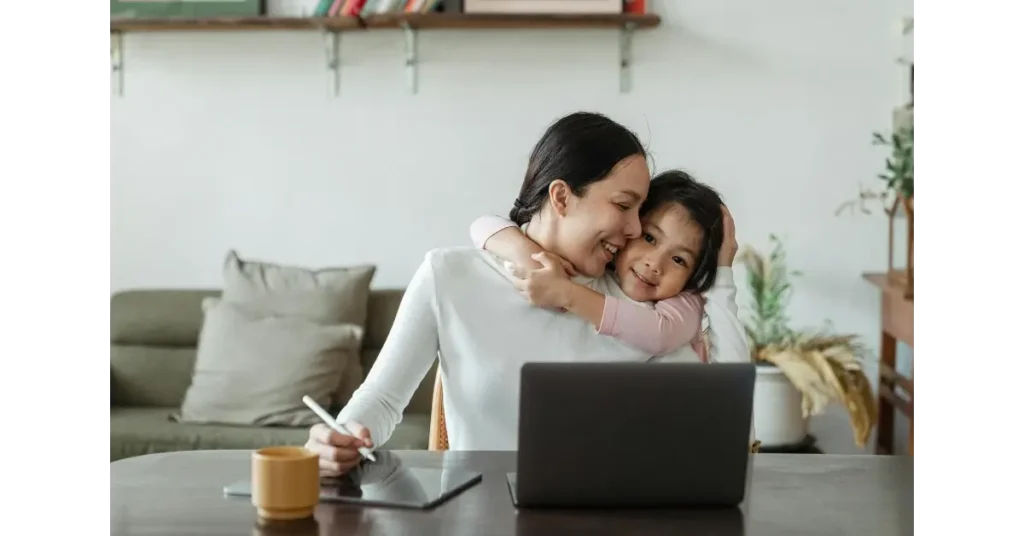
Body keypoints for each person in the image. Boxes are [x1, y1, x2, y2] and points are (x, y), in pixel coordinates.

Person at [304, 112, 750, 476]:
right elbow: (382, 400)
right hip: (476, 520)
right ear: (561, 197)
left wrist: (723, 276)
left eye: (640, 210)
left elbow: (726, 419)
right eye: (622, 205)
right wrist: (340, 436)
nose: (635, 230)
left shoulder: (640, 305)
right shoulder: (450, 275)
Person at [468, 170, 737, 358]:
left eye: (679, 259)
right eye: (650, 237)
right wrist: (525, 254)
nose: (655, 264)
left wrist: (567, 293)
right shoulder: (598, 269)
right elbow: (483, 224)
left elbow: (660, 333)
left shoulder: (686, 302)